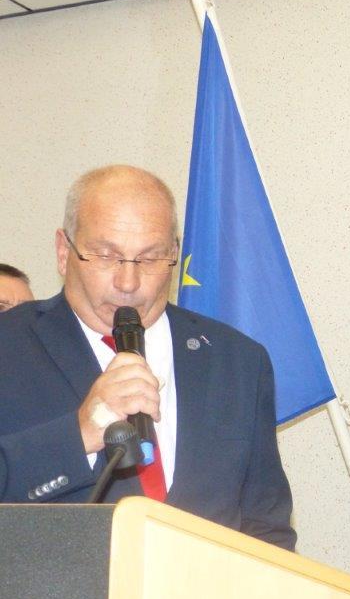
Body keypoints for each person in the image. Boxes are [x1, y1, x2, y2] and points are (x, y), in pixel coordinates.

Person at [0, 165, 295, 550]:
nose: (128, 283)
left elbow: (267, 528)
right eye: (106, 255)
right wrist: (79, 435)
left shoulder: (238, 361)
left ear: (174, 253)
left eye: (150, 258)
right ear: (63, 251)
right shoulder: (10, 345)